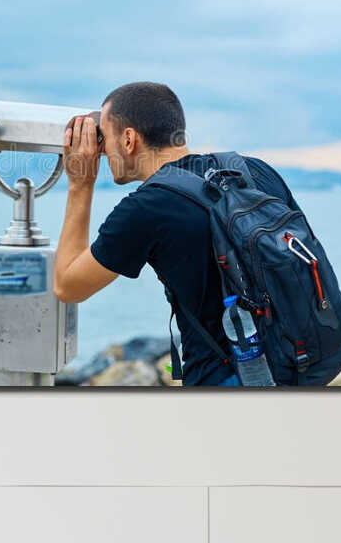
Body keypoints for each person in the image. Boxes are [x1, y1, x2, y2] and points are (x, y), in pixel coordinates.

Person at [51, 81, 310, 386]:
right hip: (298, 364)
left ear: (130, 139)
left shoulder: (145, 208)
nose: (102, 151)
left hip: (222, 381)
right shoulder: (253, 170)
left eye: (104, 138)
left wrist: (80, 184)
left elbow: (68, 286)